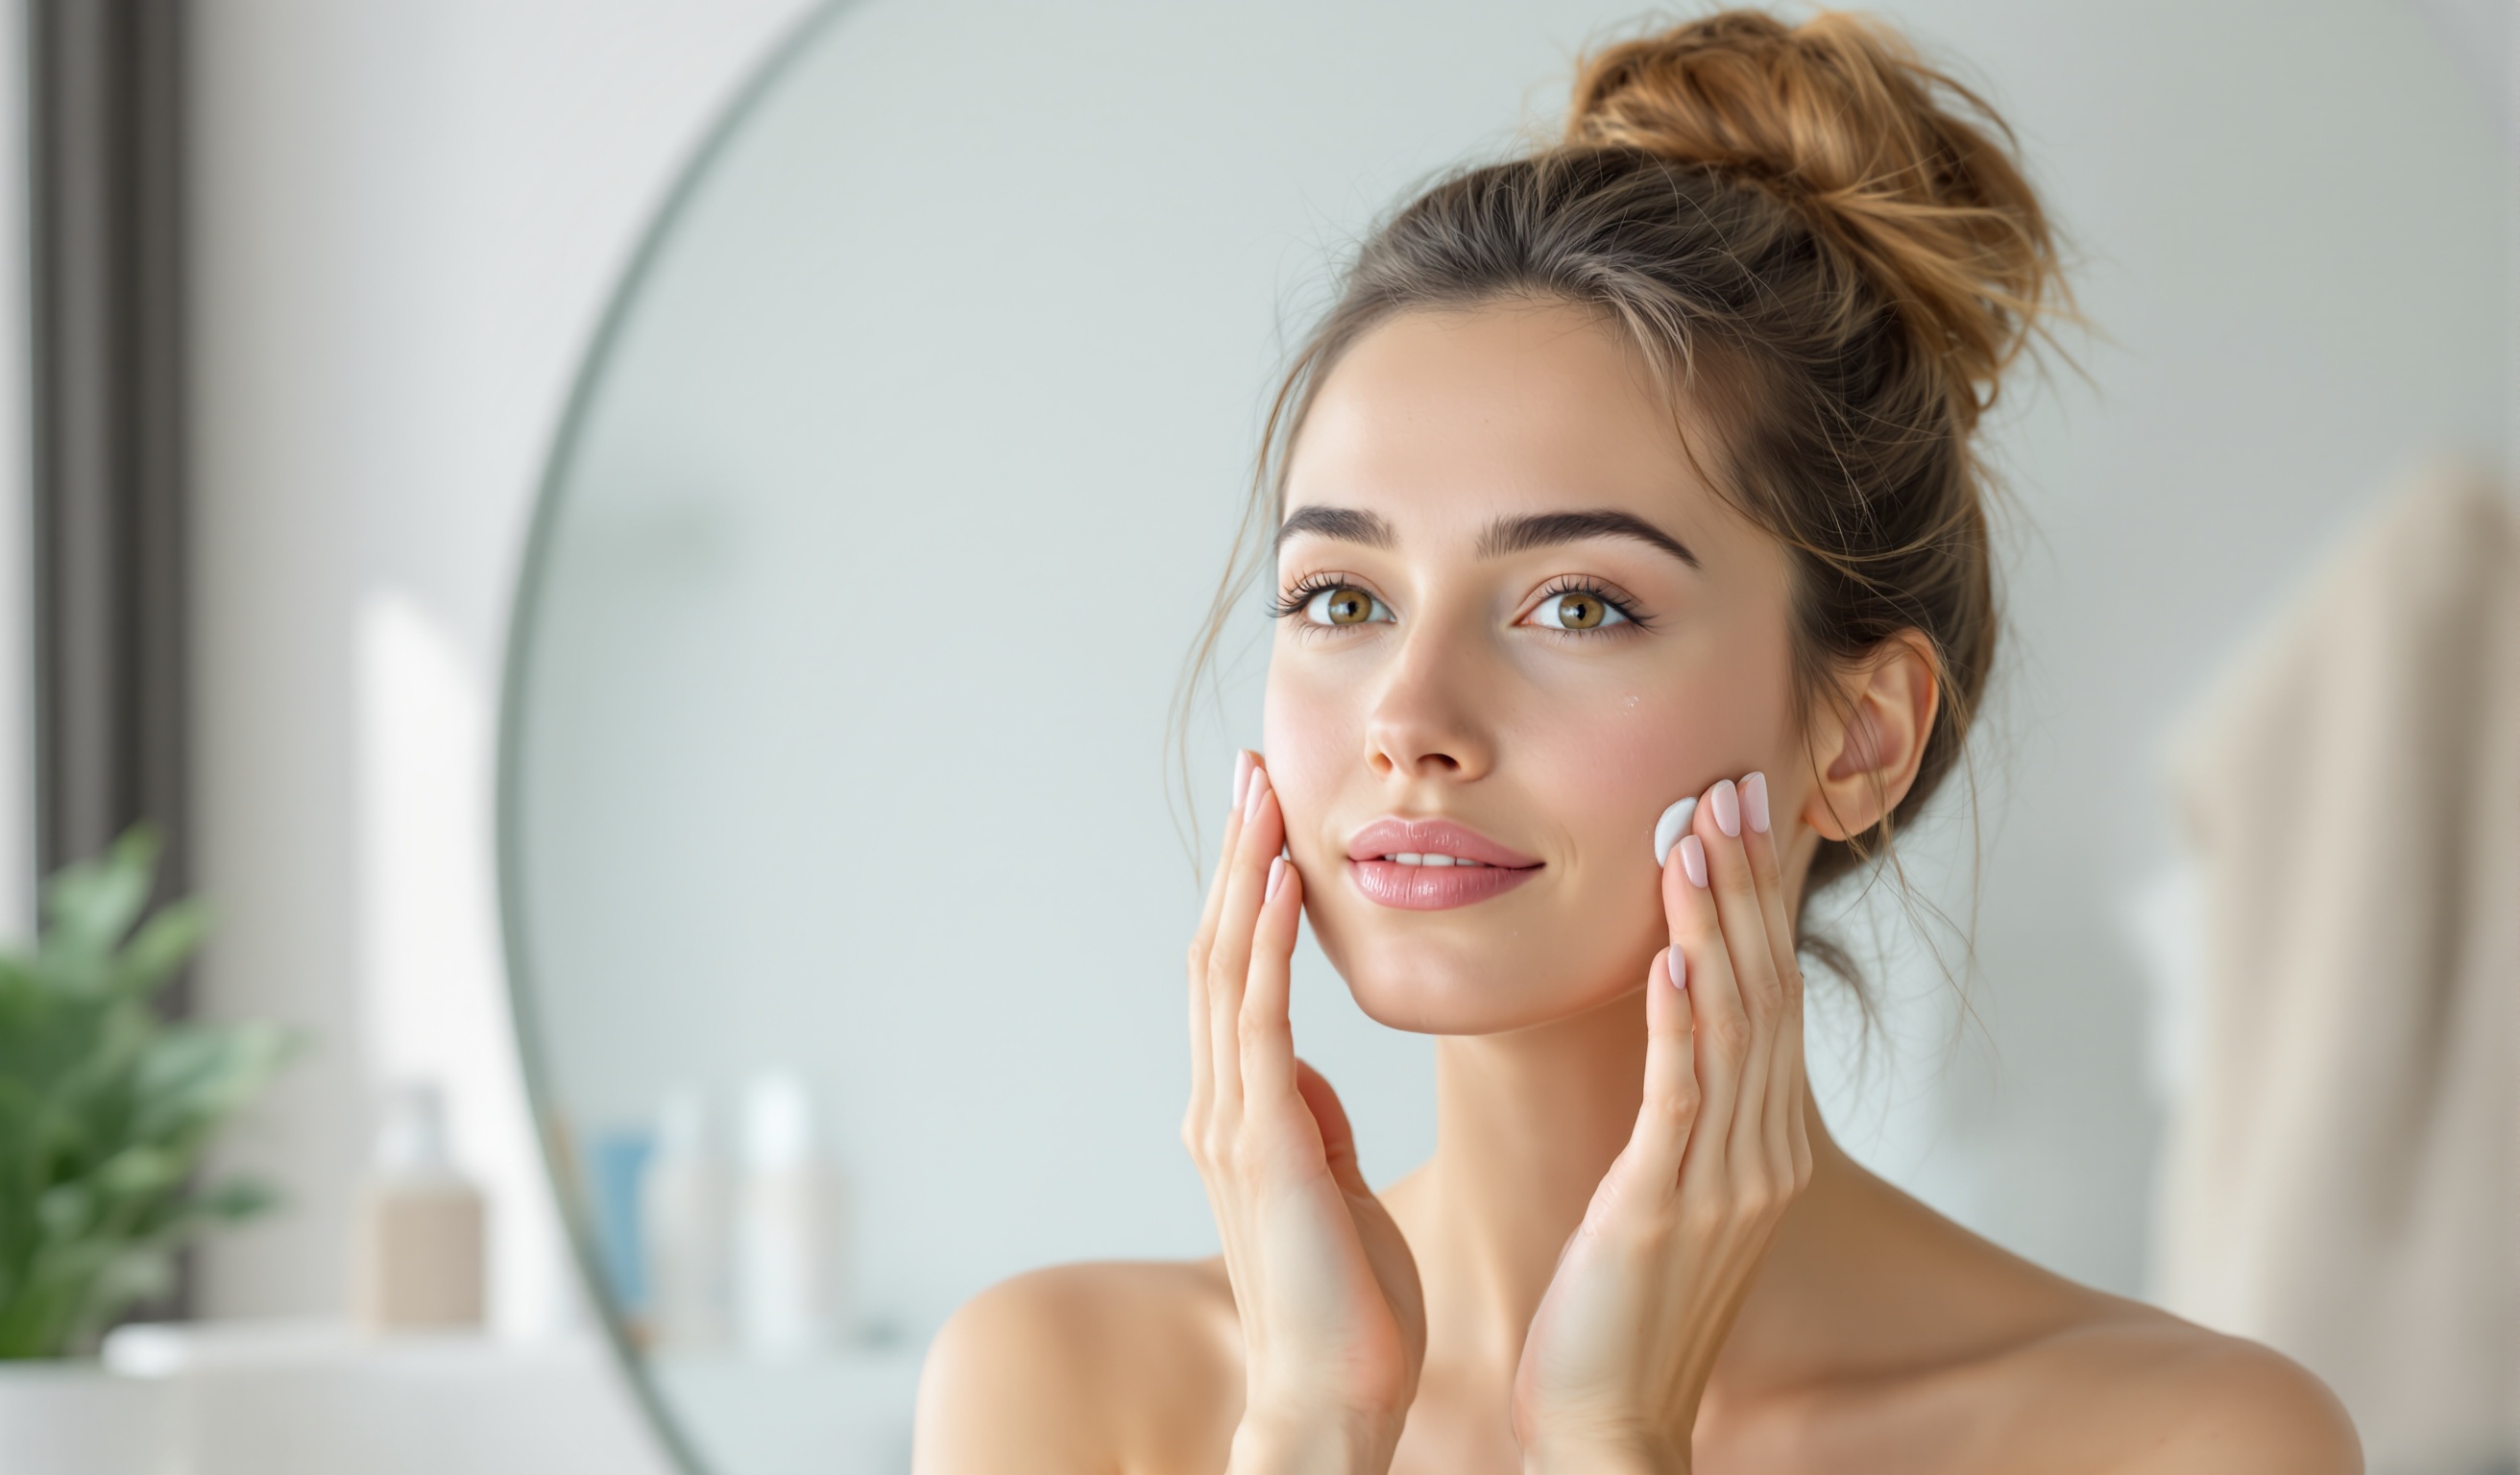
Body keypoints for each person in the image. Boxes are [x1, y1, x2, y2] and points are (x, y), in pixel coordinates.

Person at [914, 10, 2360, 1471]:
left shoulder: (2181, 1442)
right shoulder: (1066, 1394)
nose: (1409, 722)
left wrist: (1614, 1436)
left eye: (1579, 605)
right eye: (1342, 596)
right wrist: (1311, 1421)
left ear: (1858, 735)